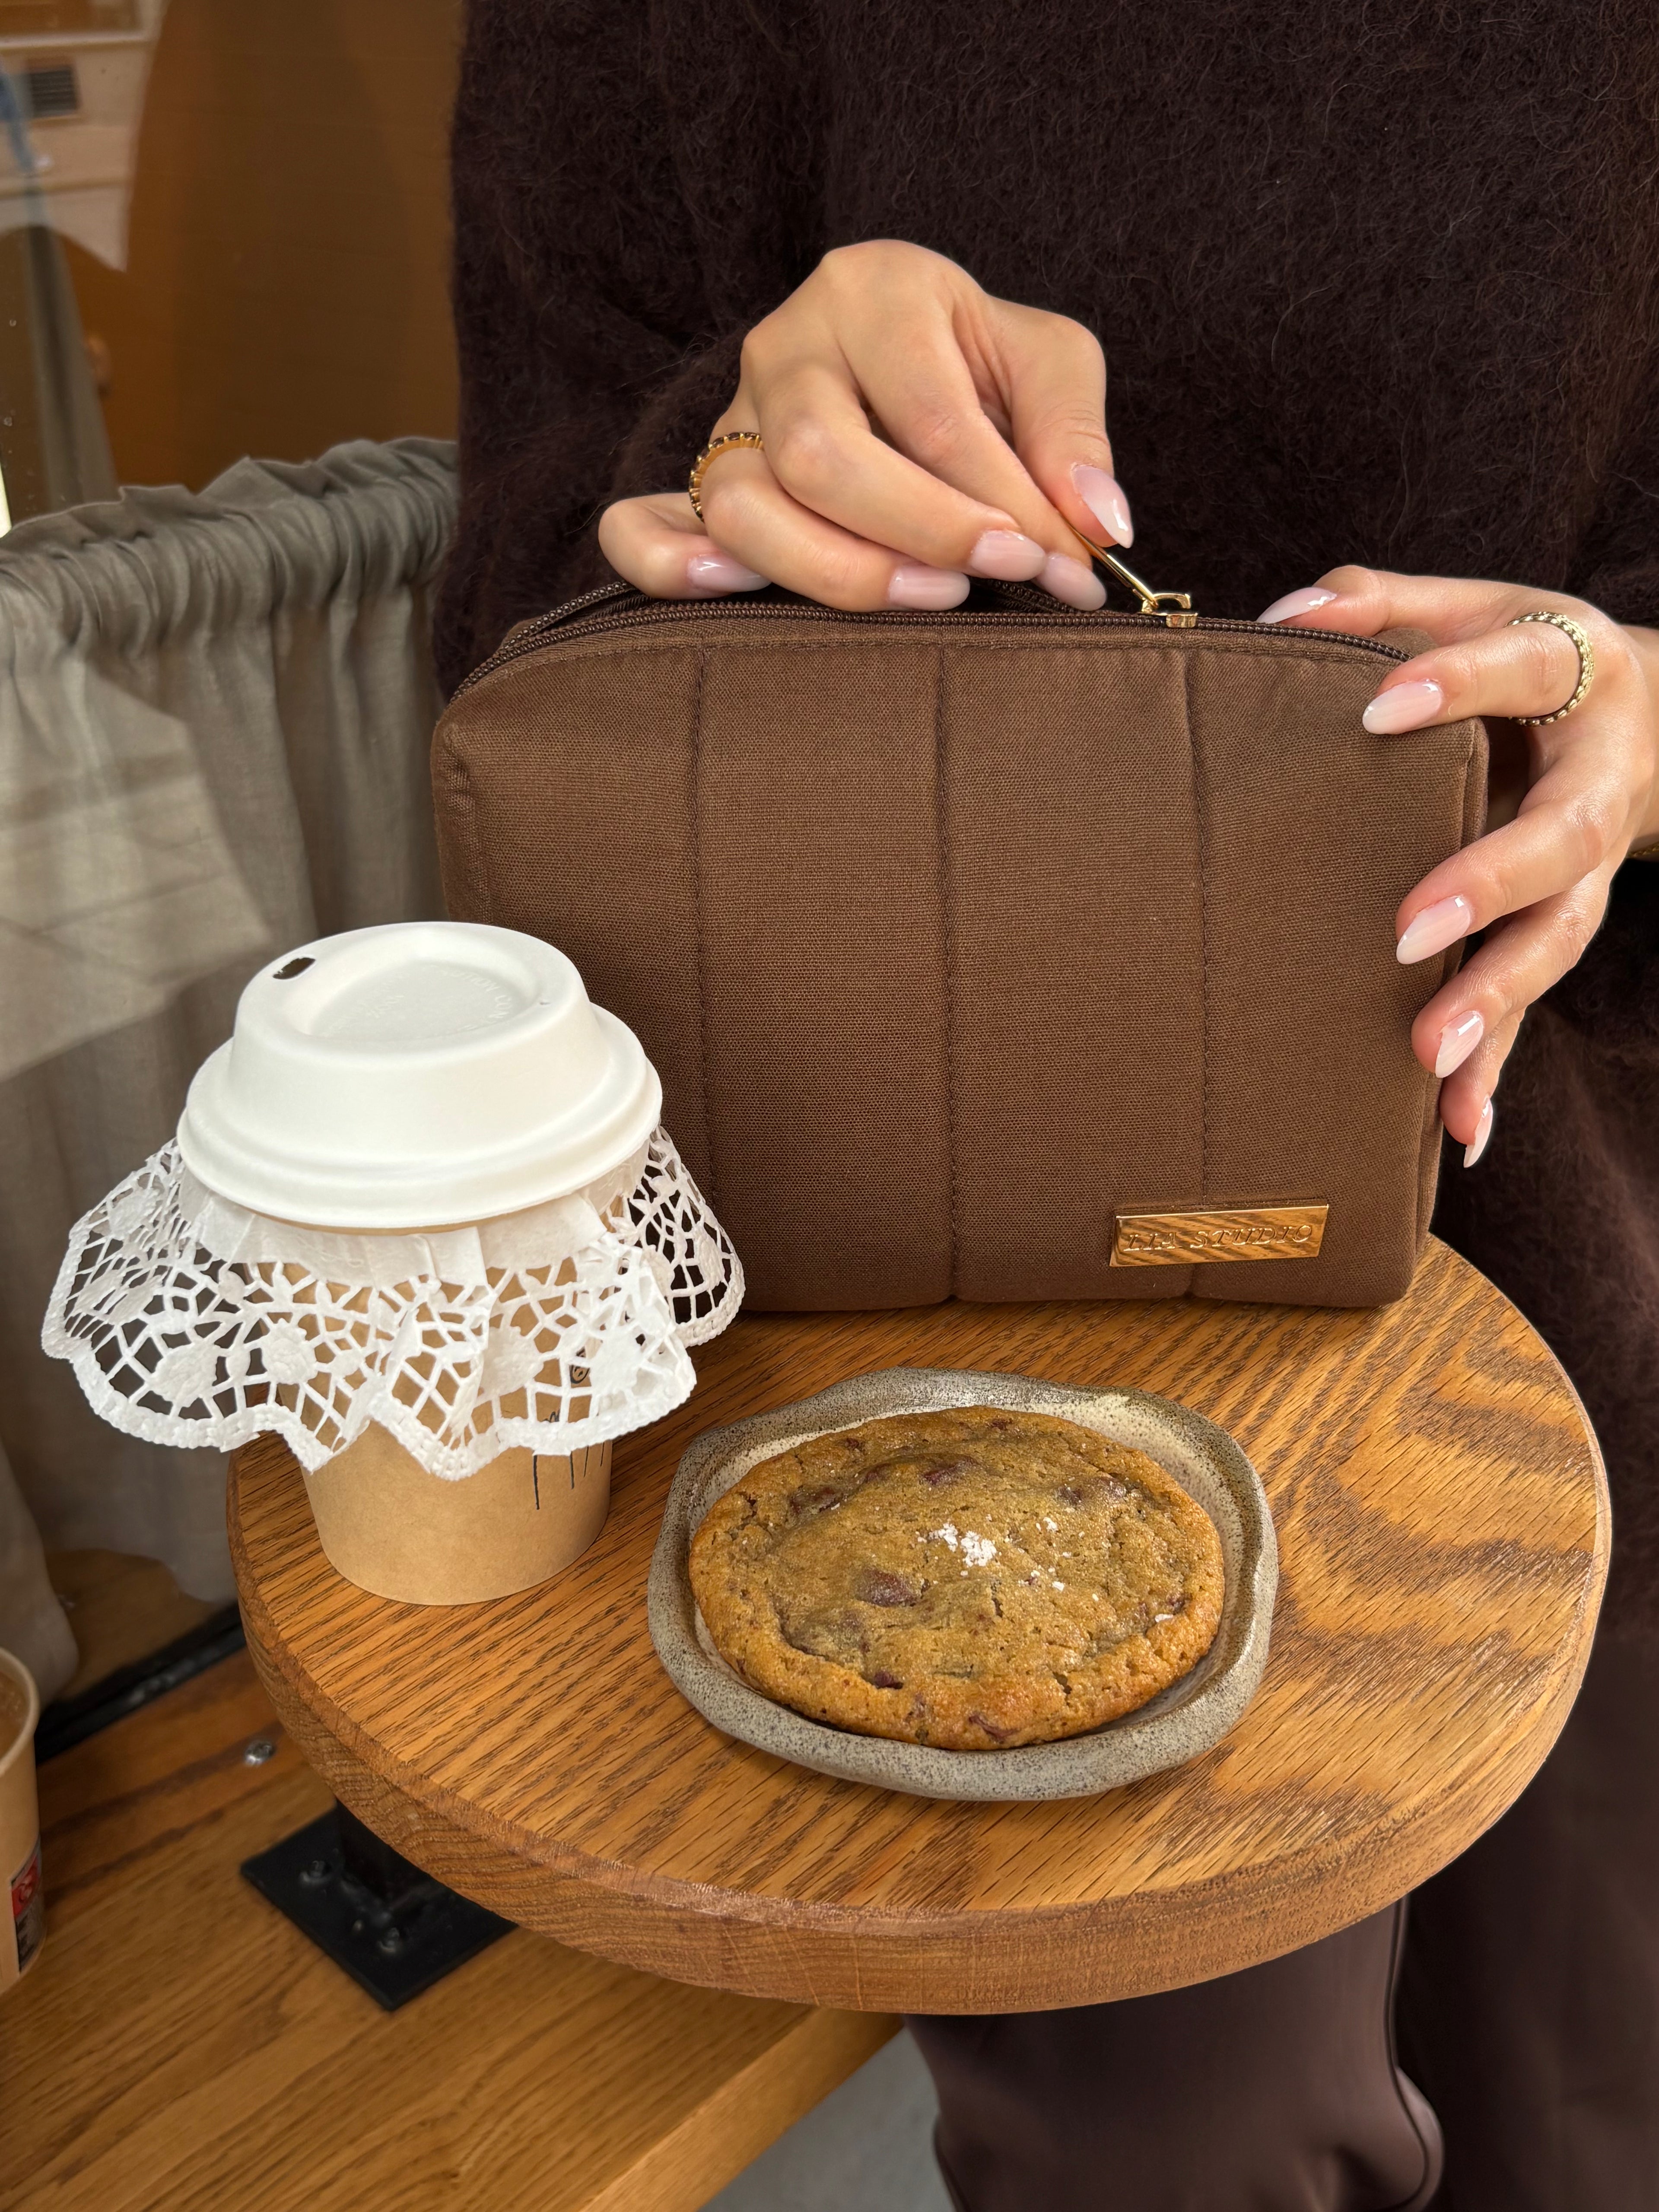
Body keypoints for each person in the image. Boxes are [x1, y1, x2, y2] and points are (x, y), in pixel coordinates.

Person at [435, 9, 1659, 2205]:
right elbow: (517, 629)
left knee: (1589, 2096)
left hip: (1590, 1257)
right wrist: (731, 451)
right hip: (910, 1303)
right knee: (1174, 2142)